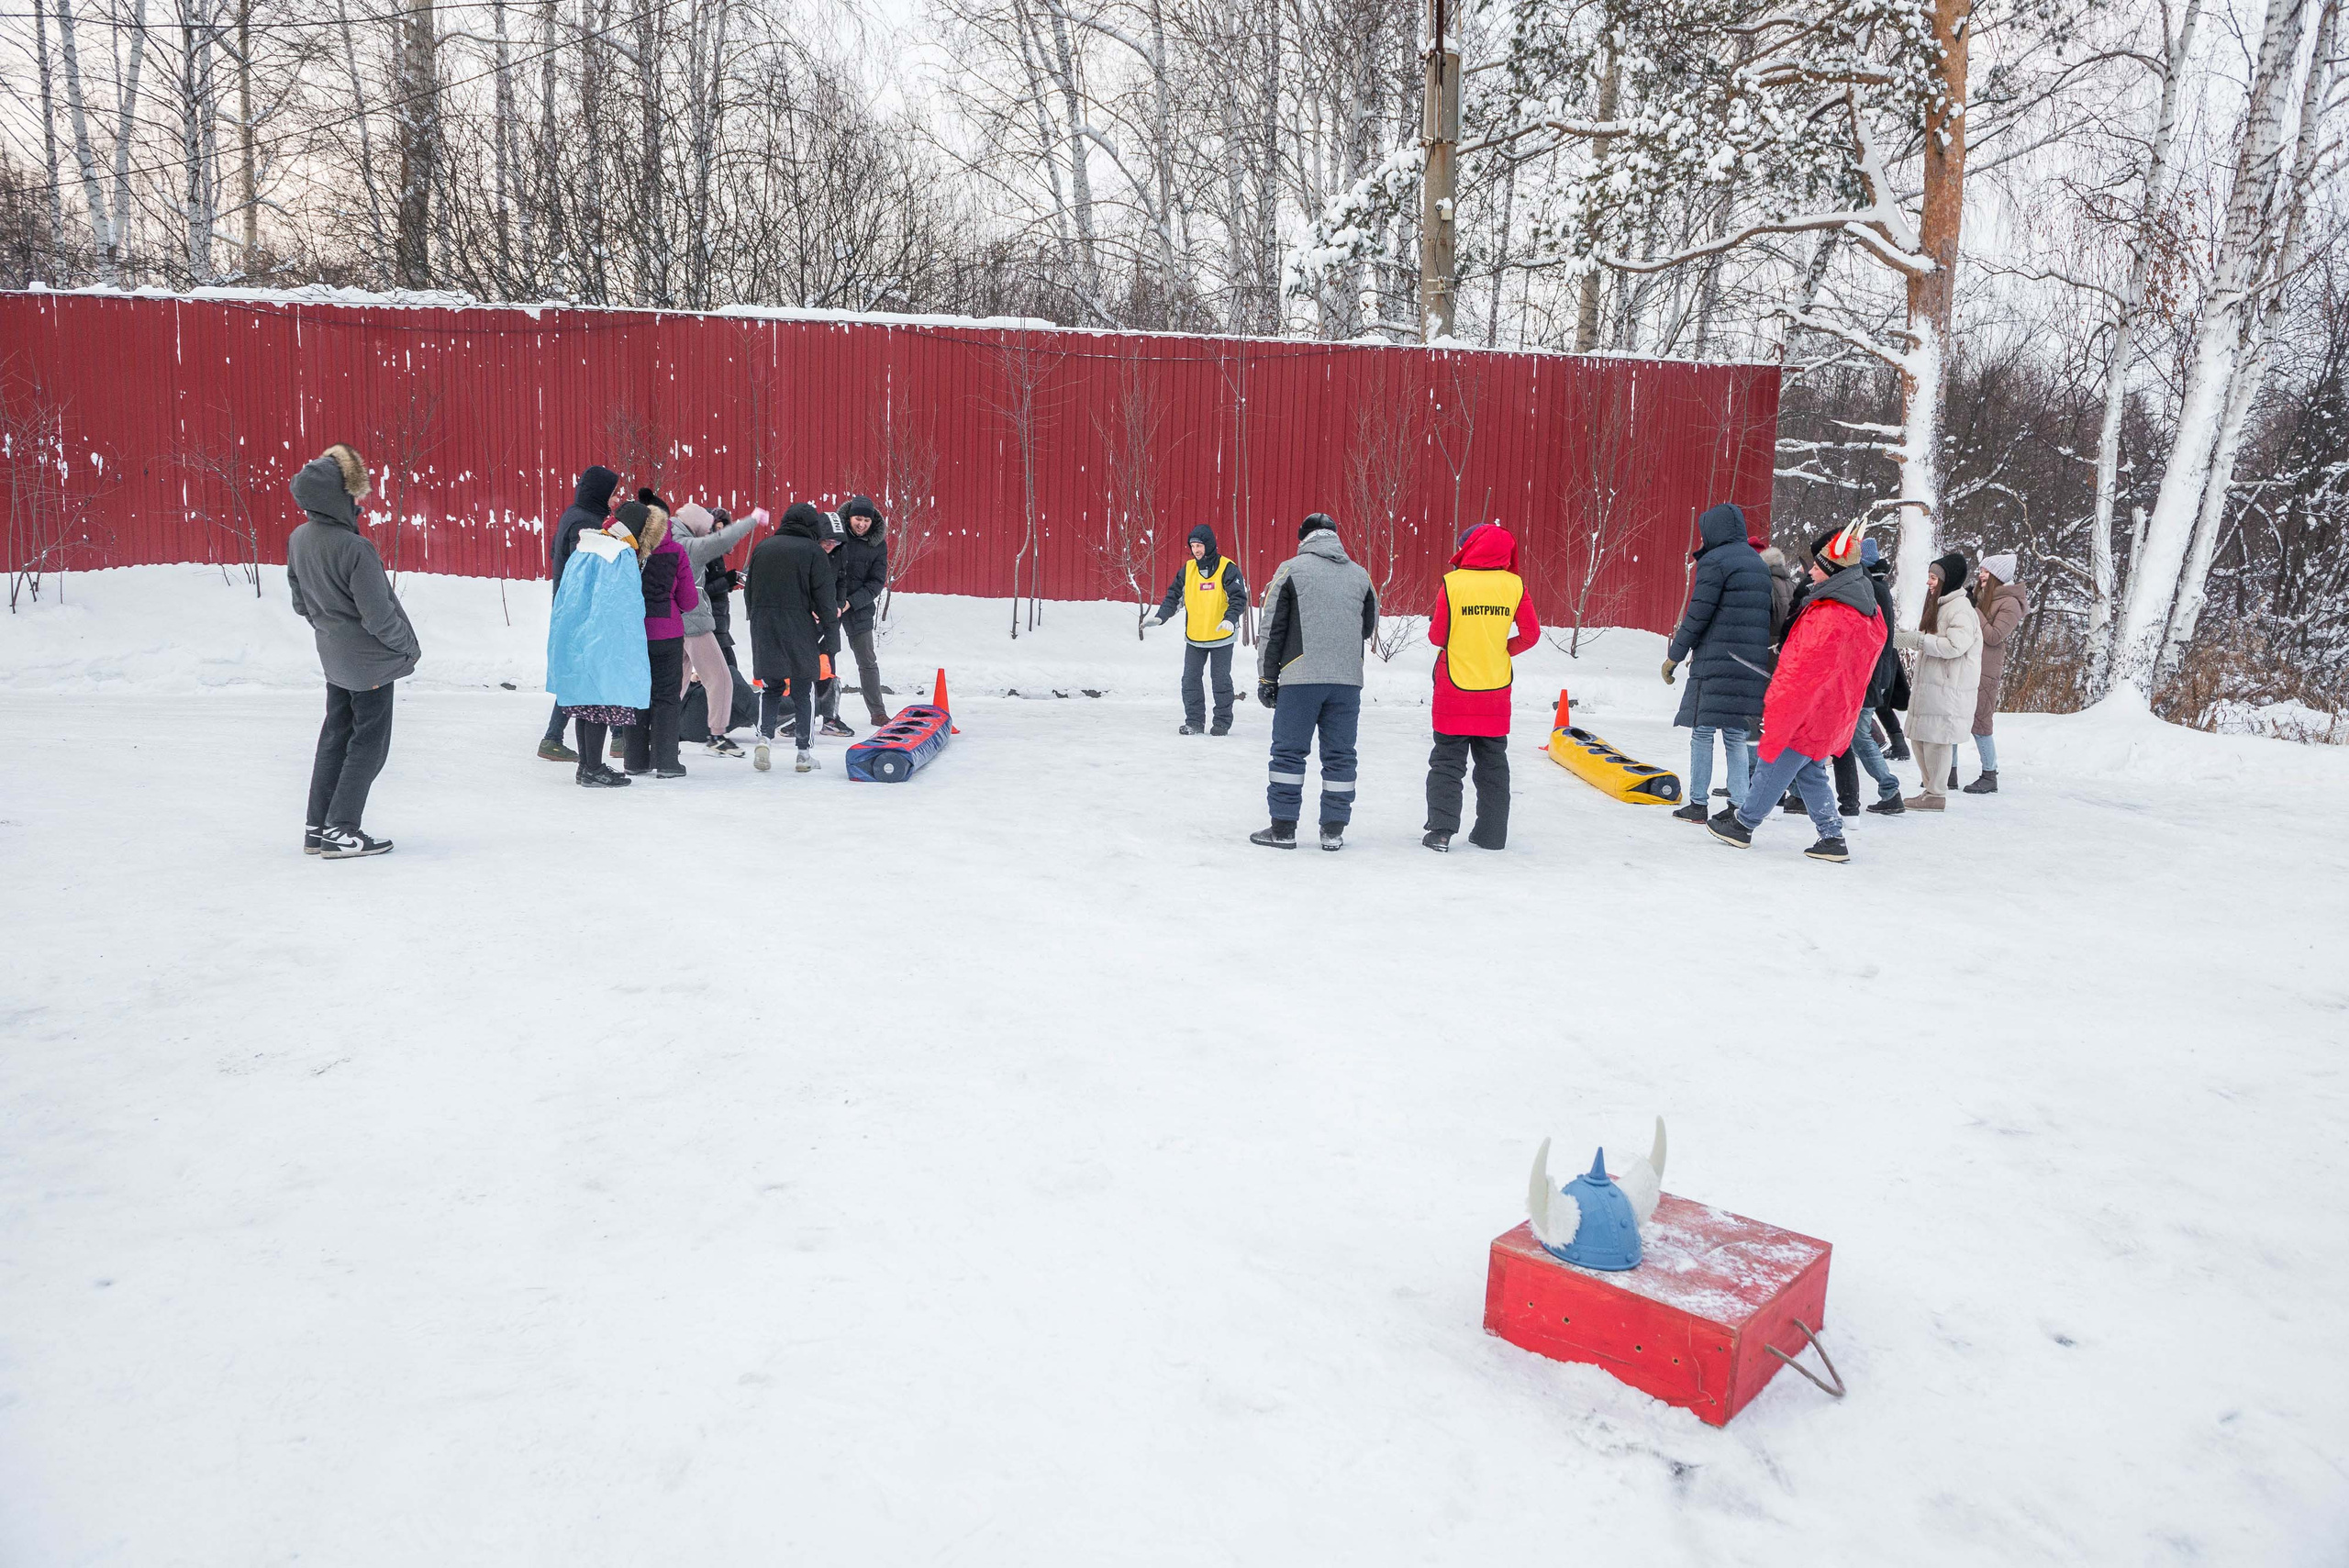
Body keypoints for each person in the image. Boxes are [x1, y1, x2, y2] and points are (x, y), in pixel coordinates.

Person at [1707, 521, 1882, 862]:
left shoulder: (1831, 613)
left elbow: (1803, 670)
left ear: (1832, 573)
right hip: (1829, 707)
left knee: (1775, 761)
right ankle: (1832, 837)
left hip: (1809, 709)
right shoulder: (1858, 609)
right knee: (1809, 768)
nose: (1811, 569)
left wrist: (1779, 703)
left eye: (1818, 565)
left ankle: (1743, 824)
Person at [287, 443, 420, 859]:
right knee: (368, 745)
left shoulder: (299, 538)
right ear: (339, 496)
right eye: (353, 496)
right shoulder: (354, 548)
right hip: (371, 665)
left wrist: (331, 631)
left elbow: (300, 602)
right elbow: (379, 617)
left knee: (334, 737)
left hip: (334, 659)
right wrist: (409, 648)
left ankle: (318, 827)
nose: (358, 504)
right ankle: (343, 830)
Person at [1252, 514, 1377, 851]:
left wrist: (1267, 677)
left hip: (1300, 677)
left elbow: (1272, 627)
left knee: (1289, 755)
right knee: (1340, 755)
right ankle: (1333, 830)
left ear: (1303, 538)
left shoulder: (1292, 570)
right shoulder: (1360, 575)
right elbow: (1368, 626)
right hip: (1347, 681)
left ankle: (1283, 829)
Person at [1422, 523, 1539, 851]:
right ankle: (1491, 834)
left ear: (1468, 547)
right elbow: (1530, 635)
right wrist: (1501, 649)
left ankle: (1442, 831)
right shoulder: (1514, 585)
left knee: (1447, 761)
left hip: (1454, 687)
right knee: (1493, 763)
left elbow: (1436, 636)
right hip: (1495, 687)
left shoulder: (1453, 583)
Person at [1662, 503, 1772, 825]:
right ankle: (1738, 804)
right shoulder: (1758, 563)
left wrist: (1674, 656)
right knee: (1737, 734)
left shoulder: (1715, 562)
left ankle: (1698, 803)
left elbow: (1699, 613)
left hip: (1715, 663)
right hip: (1750, 664)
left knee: (1702, 732)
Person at [545, 511, 652, 788]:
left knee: (586, 706)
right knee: (601, 706)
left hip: (577, 637)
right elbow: (622, 606)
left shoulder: (586, 548)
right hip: (605, 641)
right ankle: (593, 768)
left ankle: (586, 766)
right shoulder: (621, 555)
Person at [745, 502, 841, 773]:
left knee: (771, 686)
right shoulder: (813, 551)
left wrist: (757, 622)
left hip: (764, 625)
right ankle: (803, 753)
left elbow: (749, 592)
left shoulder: (763, 547)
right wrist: (831, 640)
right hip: (799, 626)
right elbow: (825, 600)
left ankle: (764, 738)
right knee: (803, 689)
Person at [538, 464, 624, 762]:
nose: (616, 498)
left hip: (574, 611)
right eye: (612, 494)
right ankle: (617, 738)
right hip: (581, 613)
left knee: (583, 675)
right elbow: (587, 569)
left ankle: (554, 738)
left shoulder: (578, 515)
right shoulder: (584, 524)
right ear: (600, 493)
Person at [1892, 551, 1983, 812]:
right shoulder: (1942, 604)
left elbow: (1956, 645)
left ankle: (1936, 793)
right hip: (1934, 686)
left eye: (1933, 578)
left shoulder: (1960, 609)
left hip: (1948, 688)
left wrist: (1920, 641)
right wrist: (1909, 637)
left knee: (1936, 741)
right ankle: (1930, 789)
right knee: (1921, 739)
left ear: (1947, 580)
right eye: (1929, 577)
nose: (1929, 582)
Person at [672, 501, 761, 757]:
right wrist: (751, 520)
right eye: (707, 527)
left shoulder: (669, 537)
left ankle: (660, 733)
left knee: (676, 683)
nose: (709, 532)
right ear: (697, 525)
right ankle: (717, 736)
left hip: (676, 620)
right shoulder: (687, 544)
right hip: (694, 621)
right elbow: (721, 541)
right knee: (720, 678)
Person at [1144, 523, 1249, 736]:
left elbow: (1238, 597)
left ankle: (1221, 722)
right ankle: (1194, 722)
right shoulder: (1188, 569)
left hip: (1221, 636)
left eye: (1200, 545)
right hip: (1195, 637)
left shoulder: (1227, 568)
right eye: (1193, 546)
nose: (1196, 550)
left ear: (1209, 545)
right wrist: (1160, 617)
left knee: (1220, 681)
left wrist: (1230, 618)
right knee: (1190, 680)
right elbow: (1174, 596)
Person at [620, 495, 697, 778]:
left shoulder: (629, 551)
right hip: (667, 634)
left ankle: (635, 760)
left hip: (635, 634)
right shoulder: (676, 552)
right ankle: (667, 762)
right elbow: (689, 601)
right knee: (666, 696)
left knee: (638, 694)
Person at [833, 495, 894, 728]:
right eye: (858, 519)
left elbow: (877, 582)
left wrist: (850, 602)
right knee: (823, 658)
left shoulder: (878, 543)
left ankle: (877, 712)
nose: (862, 524)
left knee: (867, 660)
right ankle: (824, 713)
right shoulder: (835, 535)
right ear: (849, 518)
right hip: (830, 603)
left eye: (866, 521)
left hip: (859, 606)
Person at [1967, 552, 2025, 793]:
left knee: (1981, 723)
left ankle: (1989, 775)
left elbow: (1993, 636)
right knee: (1956, 717)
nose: (1981, 574)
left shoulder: (2010, 603)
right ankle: (1948, 772)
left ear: (1997, 576)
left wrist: (1975, 610)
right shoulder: (1985, 597)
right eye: (1981, 570)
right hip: (1969, 665)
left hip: (1986, 670)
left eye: (1986, 571)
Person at [811, 511, 859, 738]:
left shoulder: (839, 553)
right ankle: (801, 716)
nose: (831, 545)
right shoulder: (807, 552)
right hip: (807, 621)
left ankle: (830, 718)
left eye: (836, 541)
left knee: (827, 666)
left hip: (830, 619)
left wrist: (839, 604)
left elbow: (842, 580)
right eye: (827, 540)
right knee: (803, 669)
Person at [1863, 539, 1911, 761]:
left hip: (1879, 655)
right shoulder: (1879, 585)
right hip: (1886, 654)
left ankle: (1881, 745)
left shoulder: (1873, 587)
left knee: (1873, 704)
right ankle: (1897, 745)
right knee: (1881, 704)